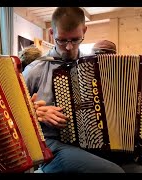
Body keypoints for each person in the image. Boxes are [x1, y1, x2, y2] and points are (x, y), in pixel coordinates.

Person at [23, 7, 142, 173]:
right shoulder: (35, 70)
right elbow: (12, 114)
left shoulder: (93, 67)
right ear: (52, 33)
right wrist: (34, 112)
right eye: (62, 40)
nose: (69, 47)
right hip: (52, 146)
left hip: (91, 145)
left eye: (76, 39)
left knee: (135, 169)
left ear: (84, 30)